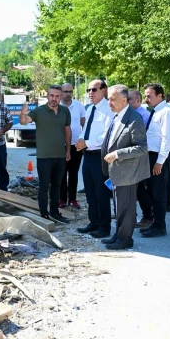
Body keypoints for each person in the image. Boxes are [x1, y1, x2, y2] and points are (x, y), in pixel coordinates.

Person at [100, 85, 150, 250]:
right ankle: (119, 234)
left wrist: (117, 154)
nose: (109, 102)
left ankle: (125, 239)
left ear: (123, 99)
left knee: (127, 208)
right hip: (116, 172)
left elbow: (142, 147)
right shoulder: (117, 116)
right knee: (119, 206)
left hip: (128, 172)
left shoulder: (134, 118)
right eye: (108, 99)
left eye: (112, 99)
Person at [20, 85, 72, 223]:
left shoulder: (65, 111)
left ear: (60, 97)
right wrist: (23, 113)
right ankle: (44, 214)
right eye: (51, 95)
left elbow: (67, 131)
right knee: (44, 186)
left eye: (57, 96)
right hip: (44, 156)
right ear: (47, 96)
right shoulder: (39, 111)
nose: (54, 98)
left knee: (57, 185)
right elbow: (24, 122)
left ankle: (54, 212)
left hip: (60, 155)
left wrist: (68, 150)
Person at [75, 79, 114, 238]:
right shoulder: (90, 109)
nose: (90, 93)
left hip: (100, 156)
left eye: (94, 89)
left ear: (104, 90)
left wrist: (87, 143)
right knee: (90, 192)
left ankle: (104, 227)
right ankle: (94, 222)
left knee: (101, 193)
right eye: (88, 90)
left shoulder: (109, 110)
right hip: (88, 156)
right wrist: (80, 141)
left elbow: (107, 136)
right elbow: (86, 130)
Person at [140, 83, 170, 238]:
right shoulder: (157, 111)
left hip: (160, 157)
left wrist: (160, 161)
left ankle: (159, 226)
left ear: (160, 95)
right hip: (152, 156)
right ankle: (155, 223)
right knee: (152, 191)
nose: (146, 99)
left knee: (158, 193)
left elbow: (167, 138)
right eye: (146, 96)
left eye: (149, 96)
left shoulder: (167, 111)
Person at [59, 83, 87, 209]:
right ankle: (62, 200)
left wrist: (84, 141)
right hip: (60, 145)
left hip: (76, 145)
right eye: (65, 91)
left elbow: (84, 125)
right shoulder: (56, 106)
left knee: (74, 173)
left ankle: (73, 199)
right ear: (61, 92)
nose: (68, 94)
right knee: (61, 173)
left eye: (70, 91)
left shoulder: (79, 106)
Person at [130, 89, 153, 227]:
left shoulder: (143, 115)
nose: (127, 101)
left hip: (141, 156)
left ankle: (148, 216)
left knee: (141, 189)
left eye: (130, 99)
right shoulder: (132, 113)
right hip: (133, 156)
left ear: (138, 100)